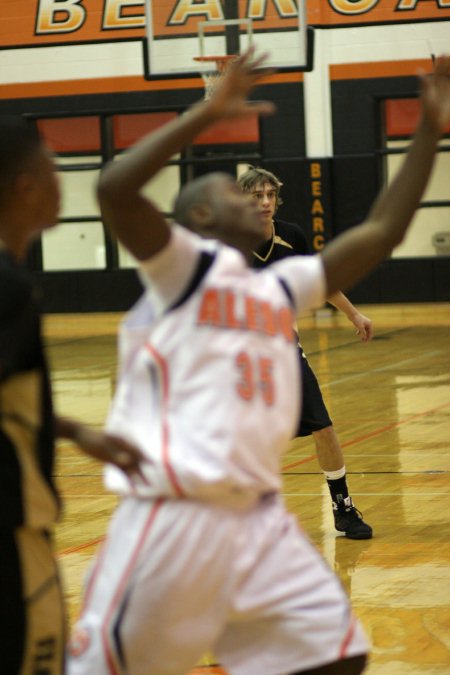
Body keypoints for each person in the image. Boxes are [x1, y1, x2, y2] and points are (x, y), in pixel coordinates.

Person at [67, 50, 450, 675]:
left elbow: (381, 231)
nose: (258, 199)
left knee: (339, 654)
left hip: (254, 516)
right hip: (175, 517)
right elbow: (112, 188)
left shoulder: (276, 286)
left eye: (265, 194)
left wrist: (431, 131)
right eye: (235, 193)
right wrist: (209, 112)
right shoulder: (181, 272)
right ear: (198, 219)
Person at [0, 116, 144, 675]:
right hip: (11, 533)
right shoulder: (8, 288)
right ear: (27, 188)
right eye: (54, 169)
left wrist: (78, 431)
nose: (65, 182)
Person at [237, 166, 373, 539]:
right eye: (256, 196)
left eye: (269, 195)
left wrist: (354, 313)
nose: (264, 202)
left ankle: (343, 510)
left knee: (324, 429)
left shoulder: (291, 237)